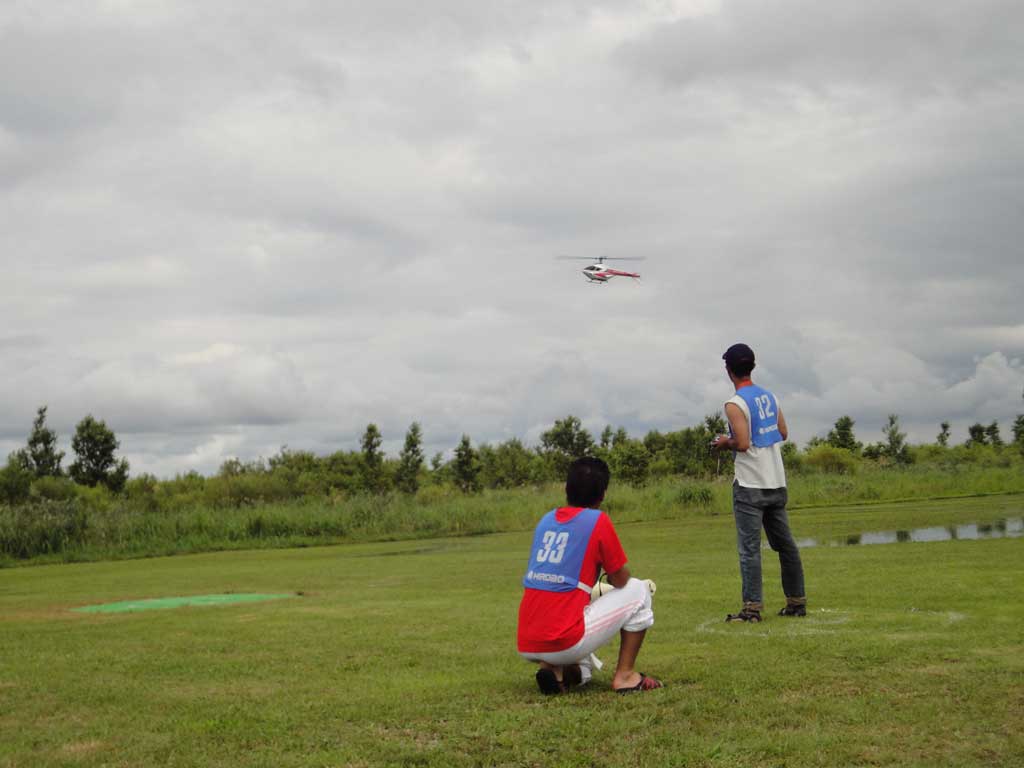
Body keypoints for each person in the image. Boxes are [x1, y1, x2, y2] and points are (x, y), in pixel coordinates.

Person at [517, 457, 662, 694]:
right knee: (639, 589)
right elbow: (620, 580)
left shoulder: (546, 520)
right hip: (561, 639)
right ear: (602, 494)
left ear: (566, 489)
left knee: (582, 603)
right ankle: (625, 676)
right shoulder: (597, 520)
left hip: (528, 638)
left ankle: (563, 673)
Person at [711, 343, 807, 623]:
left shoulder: (735, 404)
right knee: (786, 546)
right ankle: (796, 602)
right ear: (752, 366)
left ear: (729, 370)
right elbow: (783, 432)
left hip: (750, 483)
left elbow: (742, 443)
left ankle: (752, 609)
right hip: (776, 481)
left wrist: (723, 442)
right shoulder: (770, 397)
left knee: (750, 550)